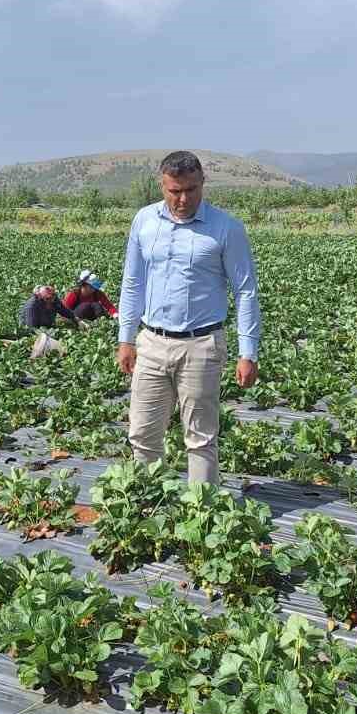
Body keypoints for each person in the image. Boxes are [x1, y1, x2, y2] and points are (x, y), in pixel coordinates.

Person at [117, 151, 260, 485]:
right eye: (174, 191)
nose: (183, 199)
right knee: (142, 434)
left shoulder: (226, 228)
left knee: (200, 437)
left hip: (202, 345)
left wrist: (247, 352)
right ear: (162, 185)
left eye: (191, 190)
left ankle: (202, 512)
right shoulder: (144, 220)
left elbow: (245, 291)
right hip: (151, 342)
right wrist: (125, 338)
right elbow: (133, 281)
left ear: (202, 184)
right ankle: (150, 504)